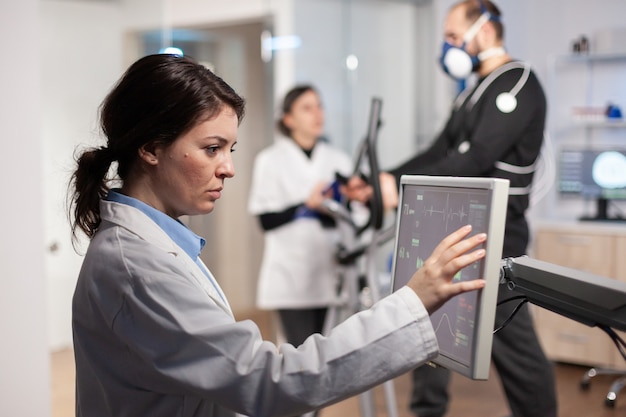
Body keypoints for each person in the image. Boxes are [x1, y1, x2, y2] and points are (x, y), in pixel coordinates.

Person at [67, 53, 491, 417]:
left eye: (229, 150)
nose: (228, 167)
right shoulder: (136, 266)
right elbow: (270, 379)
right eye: (212, 149)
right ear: (151, 148)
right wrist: (410, 305)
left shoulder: (153, 244)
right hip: (292, 274)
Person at [342, 1, 558, 417]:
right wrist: (381, 181)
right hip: (458, 230)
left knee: (515, 349)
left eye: (453, 37)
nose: (447, 48)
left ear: (487, 31)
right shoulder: (473, 92)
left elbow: (476, 158)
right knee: (430, 331)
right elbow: (438, 151)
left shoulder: (516, 84)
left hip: (497, 238)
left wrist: (397, 191)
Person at [248, 85, 355, 347]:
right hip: (290, 277)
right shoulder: (270, 160)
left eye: (319, 106)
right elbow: (266, 220)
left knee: (329, 354)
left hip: (329, 273)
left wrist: (331, 207)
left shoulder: (338, 159)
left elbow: (355, 217)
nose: (317, 114)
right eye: (307, 108)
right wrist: (307, 205)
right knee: (300, 357)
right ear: (288, 119)